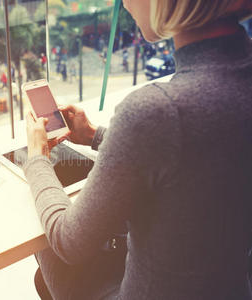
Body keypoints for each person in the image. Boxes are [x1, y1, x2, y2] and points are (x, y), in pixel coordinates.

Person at [24, 0, 252, 299]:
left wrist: (37, 158)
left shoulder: (156, 110)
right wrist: (94, 135)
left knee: (46, 247)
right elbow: (197, 150)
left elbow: (69, 243)